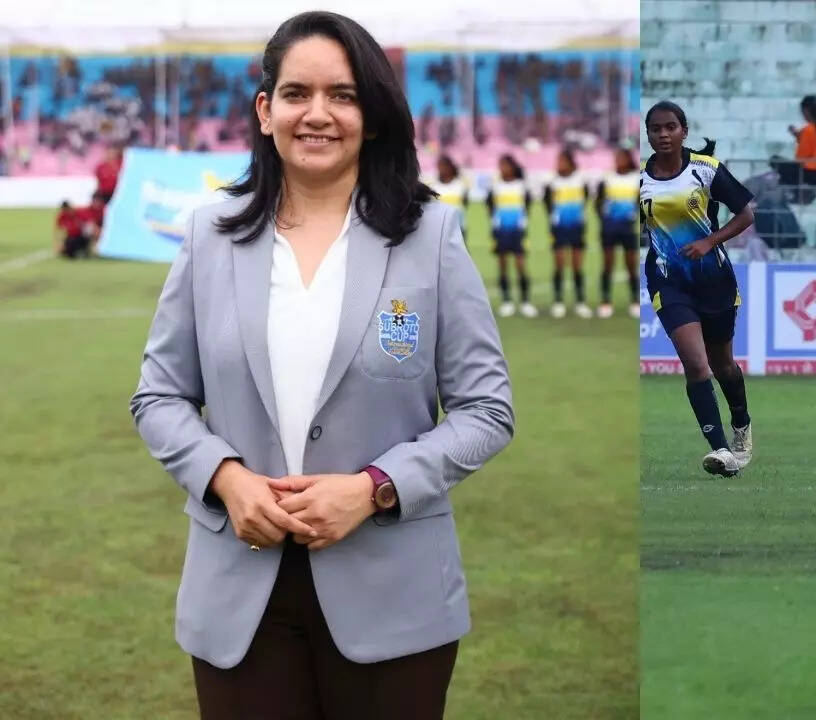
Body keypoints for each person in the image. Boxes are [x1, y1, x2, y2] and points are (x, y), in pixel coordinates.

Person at [128, 12, 514, 715]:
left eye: (343, 94)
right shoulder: (208, 235)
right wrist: (225, 477)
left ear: (372, 114)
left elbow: (487, 410)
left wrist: (375, 488)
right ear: (265, 109)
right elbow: (158, 397)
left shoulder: (430, 235)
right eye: (298, 92)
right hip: (239, 597)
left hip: (394, 596)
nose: (319, 113)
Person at [642, 100, 756, 477]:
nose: (663, 134)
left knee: (723, 364)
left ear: (684, 131)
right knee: (695, 363)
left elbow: (746, 214)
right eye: (656, 129)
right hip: (668, 280)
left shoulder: (705, 170)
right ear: (648, 134)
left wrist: (710, 241)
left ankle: (740, 422)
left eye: (670, 127)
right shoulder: (638, 181)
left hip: (714, 280)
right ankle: (721, 450)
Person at [544, 149, 592, 319]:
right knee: (559, 265)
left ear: (570, 162)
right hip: (558, 230)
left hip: (577, 228)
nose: (559, 164)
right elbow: (547, 204)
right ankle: (558, 302)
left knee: (577, 266)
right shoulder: (552, 182)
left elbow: (585, 199)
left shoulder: (581, 180)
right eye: (558, 161)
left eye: (562, 161)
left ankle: (580, 302)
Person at [488, 154, 536, 318]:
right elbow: (491, 209)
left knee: (520, 265)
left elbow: (527, 208)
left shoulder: (522, 186)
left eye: (505, 166)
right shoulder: (495, 187)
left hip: (517, 232)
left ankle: (525, 302)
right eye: (500, 166)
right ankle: (507, 301)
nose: (502, 169)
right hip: (501, 232)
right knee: (502, 266)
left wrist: (522, 227)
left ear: (513, 167)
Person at [597, 145, 641, 319]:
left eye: (621, 158)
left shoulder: (636, 179)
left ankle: (635, 301)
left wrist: (632, 216)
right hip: (609, 229)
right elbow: (598, 202)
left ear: (628, 159)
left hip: (628, 229)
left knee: (631, 265)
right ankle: (606, 301)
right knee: (608, 264)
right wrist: (605, 218)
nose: (618, 161)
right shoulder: (607, 179)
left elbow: (640, 202)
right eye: (616, 158)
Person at [778, 94, 816, 204]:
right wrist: (798, 135)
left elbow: (800, 158)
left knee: (777, 161)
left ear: (807, 111)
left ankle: (800, 193)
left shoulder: (808, 130)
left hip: (811, 175)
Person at [433, 154, 467, 239]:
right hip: (438, 226)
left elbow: (465, 202)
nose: (441, 169)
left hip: (458, 225)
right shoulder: (433, 186)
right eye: (439, 166)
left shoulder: (460, 185)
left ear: (450, 167)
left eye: (443, 166)